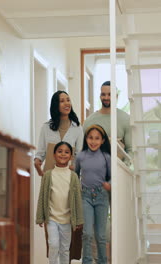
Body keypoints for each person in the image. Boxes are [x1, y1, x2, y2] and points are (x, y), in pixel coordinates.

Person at [36, 141, 84, 264]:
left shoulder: (73, 176)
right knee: (53, 245)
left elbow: (77, 198)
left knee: (64, 249)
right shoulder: (48, 175)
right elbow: (42, 196)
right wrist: (40, 217)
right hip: (52, 218)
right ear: (54, 154)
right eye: (60, 151)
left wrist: (78, 219)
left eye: (67, 152)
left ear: (71, 156)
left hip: (67, 219)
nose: (63, 154)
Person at [75, 125, 111, 264]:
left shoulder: (106, 157)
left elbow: (111, 176)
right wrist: (77, 188)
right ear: (86, 138)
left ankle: (103, 261)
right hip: (86, 196)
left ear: (102, 141)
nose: (93, 141)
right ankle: (87, 261)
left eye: (97, 138)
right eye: (90, 138)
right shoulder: (81, 156)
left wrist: (109, 184)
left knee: (101, 236)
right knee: (87, 234)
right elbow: (75, 175)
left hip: (102, 196)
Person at [34, 91, 84, 176]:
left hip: (69, 177)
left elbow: (80, 155)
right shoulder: (46, 127)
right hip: (50, 177)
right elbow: (40, 153)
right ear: (56, 105)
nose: (67, 103)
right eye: (62, 101)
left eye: (68, 100)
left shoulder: (77, 128)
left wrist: (74, 168)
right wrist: (39, 170)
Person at [83, 81, 132, 155]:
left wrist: (124, 165)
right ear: (100, 96)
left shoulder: (126, 119)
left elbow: (131, 150)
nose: (106, 98)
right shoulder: (89, 121)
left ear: (116, 96)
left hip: (119, 165)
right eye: (103, 94)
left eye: (110, 94)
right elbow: (83, 149)